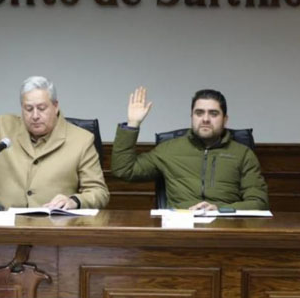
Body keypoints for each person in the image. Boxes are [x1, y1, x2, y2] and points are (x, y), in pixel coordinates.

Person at [0, 67, 109, 209]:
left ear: (56, 106)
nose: (35, 115)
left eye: (42, 108)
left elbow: (98, 192)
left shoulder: (81, 140)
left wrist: (74, 201)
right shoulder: (3, 127)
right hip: (5, 229)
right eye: (28, 109)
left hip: (54, 230)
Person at [111, 87, 269, 211]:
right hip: (180, 227)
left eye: (213, 113)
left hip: (226, 227)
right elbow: (124, 170)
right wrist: (133, 124)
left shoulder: (242, 154)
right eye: (199, 113)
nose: (205, 119)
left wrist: (220, 210)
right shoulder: (168, 150)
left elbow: (258, 202)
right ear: (192, 117)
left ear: (225, 119)